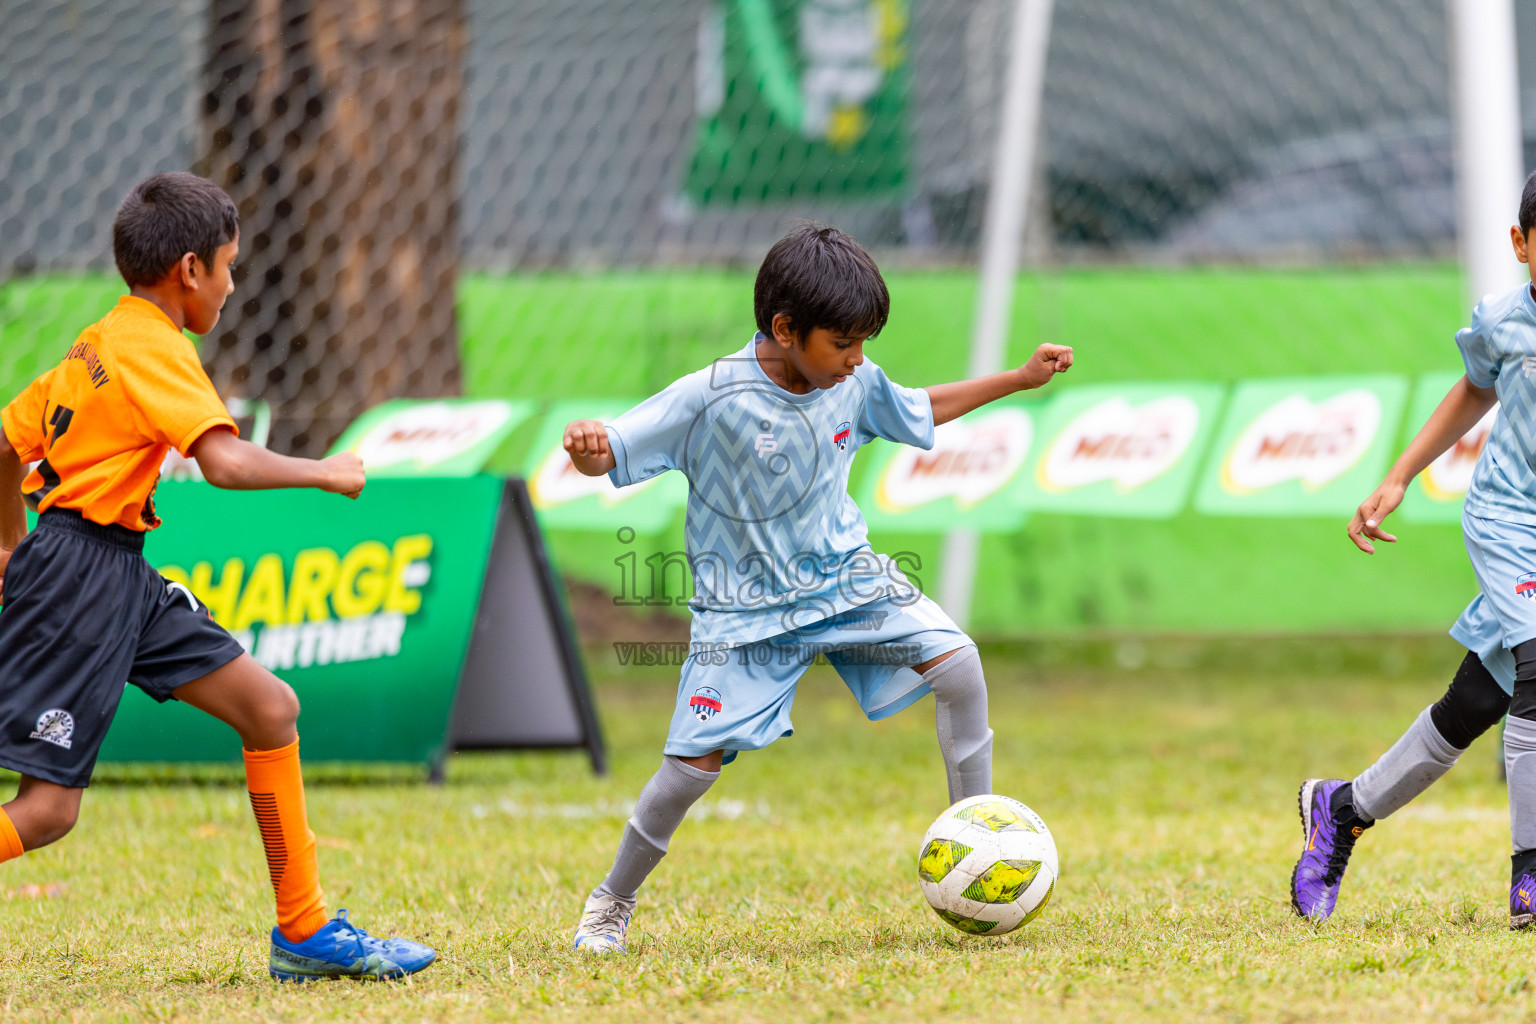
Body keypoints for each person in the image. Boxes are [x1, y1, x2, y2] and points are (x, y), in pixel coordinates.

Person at [560, 224, 1073, 952]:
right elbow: (611, 452)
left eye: (865, 343)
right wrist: (587, 449)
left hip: (847, 582)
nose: (858, 360)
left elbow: (920, 406)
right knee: (687, 771)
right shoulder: (708, 397)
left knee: (959, 664)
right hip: (744, 614)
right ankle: (611, 901)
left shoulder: (853, 381)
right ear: (784, 328)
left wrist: (1018, 379)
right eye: (844, 343)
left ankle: (976, 845)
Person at [0, 172, 435, 981]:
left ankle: (303, 934)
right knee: (49, 811)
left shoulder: (99, 339)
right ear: (190, 270)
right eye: (230, 267)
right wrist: (326, 472)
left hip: (110, 569)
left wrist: (8, 545)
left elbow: (4, 444)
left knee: (270, 708)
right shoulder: (155, 346)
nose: (234, 286)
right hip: (77, 578)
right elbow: (226, 462)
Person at [1290, 169, 1536, 929]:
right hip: (1509, 519)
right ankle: (1531, 875)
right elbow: (1473, 388)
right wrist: (1398, 476)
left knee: (1475, 703)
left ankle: (1343, 809)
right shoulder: (1505, 320)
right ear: (1521, 245)